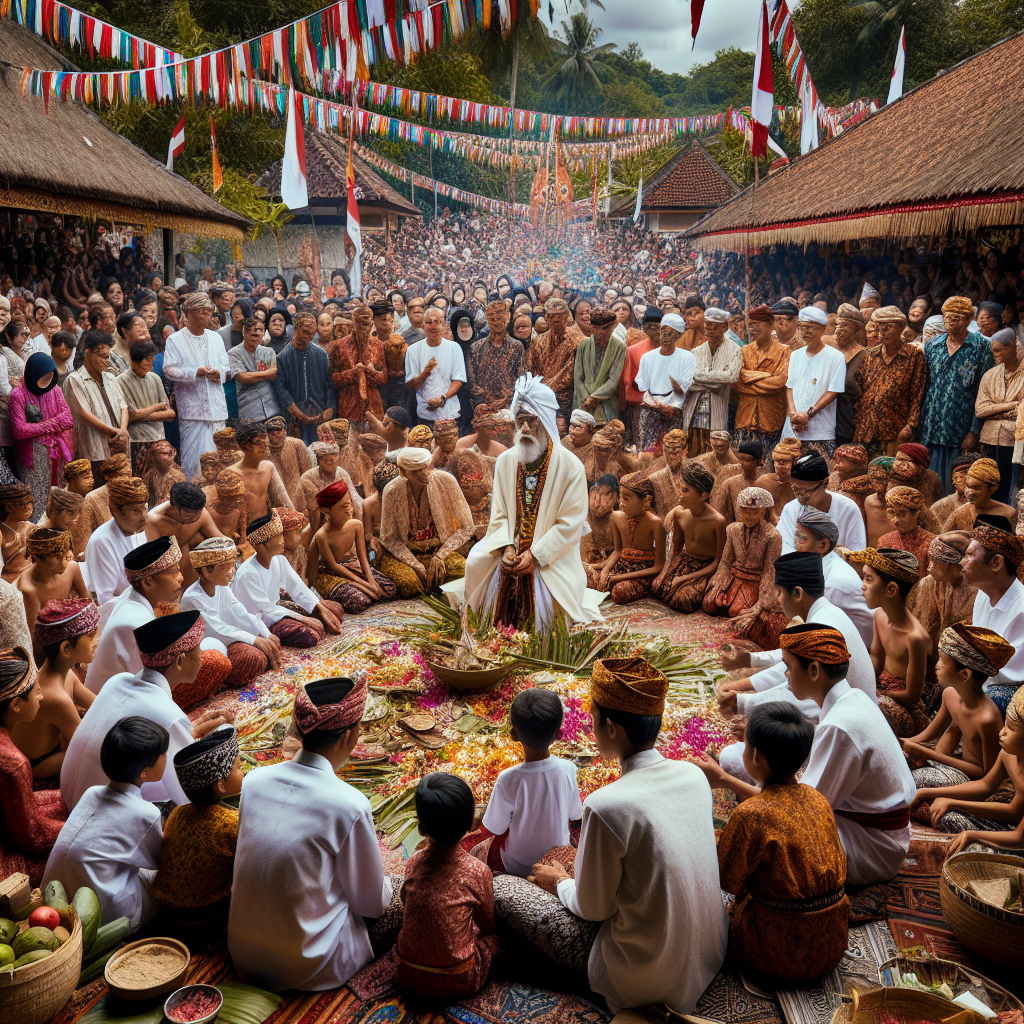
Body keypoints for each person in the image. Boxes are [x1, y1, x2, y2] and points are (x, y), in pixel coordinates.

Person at [523, 657, 727, 1015]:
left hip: (647, 980)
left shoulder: (605, 805)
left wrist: (560, 883)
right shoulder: (694, 776)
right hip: (711, 952)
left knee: (511, 892)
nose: (591, 725)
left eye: (593, 717)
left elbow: (593, 909)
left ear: (612, 728)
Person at [229, 677, 393, 991]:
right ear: (347, 736)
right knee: (397, 896)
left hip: (243, 954)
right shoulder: (350, 804)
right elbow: (370, 904)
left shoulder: (254, 781)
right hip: (307, 964)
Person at [711, 704, 849, 984]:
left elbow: (728, 882)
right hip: (832, 943)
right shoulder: (817, 799)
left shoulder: (749, 815)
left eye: (745, 744)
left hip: (772, 952)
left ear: (756, 756)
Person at [456, 374, 603, 631]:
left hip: (552, 555)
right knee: (474, 563)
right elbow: (499, 513)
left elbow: (569, 525)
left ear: (545, 423)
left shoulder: (570, 467)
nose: (524, 429)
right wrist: (506, 547)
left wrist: (536, 554)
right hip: (511, 545)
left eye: (531, 422)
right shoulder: (506, 461)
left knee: (545, 604)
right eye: (519, 421)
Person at [774, 625, 915, 884]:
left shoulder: (840, 725)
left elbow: (805, 811)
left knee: (773, 836)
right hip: (884, 835)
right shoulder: (854, 697)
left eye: (788, 666)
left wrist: (726, 780)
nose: (786, 676)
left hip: (874, 848)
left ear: (814, 670)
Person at [62, 610, 232, 810]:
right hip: (101, 812)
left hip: (72, 795)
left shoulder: (117, 681)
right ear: (179, 661)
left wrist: (190, 734)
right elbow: (188, 791)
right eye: (198, 650)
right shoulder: (170, 715)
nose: (202, 658)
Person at [716, 552, 876, 728]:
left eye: (779, 592)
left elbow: (797, 687)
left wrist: (742, 702)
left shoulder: (823, 625)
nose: (777, 600)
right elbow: (791, 661)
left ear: (798, 593)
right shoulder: (826, 611)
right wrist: (748, 665)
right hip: (853, 709)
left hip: (846, 720)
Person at [44, 716, 167, 932]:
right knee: (161, 877)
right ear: (144, 772)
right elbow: (160, 861)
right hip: (103, 918)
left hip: (54, 901)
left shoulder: (92, 792)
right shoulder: (146, 814)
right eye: (163, 754)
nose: (167, 756)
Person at [393, 773, 499, 1001]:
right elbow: (487, 923)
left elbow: (407, 903)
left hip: (406, 974)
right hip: (458, 981)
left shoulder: (413, 863)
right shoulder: (478, 871)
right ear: (472, 822)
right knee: (498, 941)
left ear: (421, 828)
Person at [462, 689, 581, 876]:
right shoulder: (568, 769)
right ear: (559, 734)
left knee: (482, 845)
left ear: (513, 734)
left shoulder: (507, 779)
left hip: (515, 866)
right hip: (556, 863)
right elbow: (575, 814)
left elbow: (495, 827)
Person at [150, 725, 243, 933]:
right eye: (239, 767)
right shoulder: (232, 823)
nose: (244, 771)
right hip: (205, 918)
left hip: (166, 914)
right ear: (221, 786)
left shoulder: (178, 813)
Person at [912, 684, 1024, 852]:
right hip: (1011, 826)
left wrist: (972, 834)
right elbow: (985, 785)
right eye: (1005, 725)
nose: (1002, 732)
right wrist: (930, 793)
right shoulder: (1008, 755)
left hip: (1018, 838)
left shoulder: (987, 718)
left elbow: (1017, 829)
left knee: (955, 825)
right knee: (946, 816)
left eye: (1011, 728)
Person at [905, 624, 1008, 789]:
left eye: (942, 661)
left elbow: (986, 774)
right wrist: (901, 744)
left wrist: (929, 754)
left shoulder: (986, 719)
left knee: (914, 780)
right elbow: (927, 736)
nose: (936, 666)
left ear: (964, 675)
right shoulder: (950, 695)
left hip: (968, 778)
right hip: (948, 761)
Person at [0, 648, 67, 884]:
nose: (41, 697)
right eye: (37, 692)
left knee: (65, 801)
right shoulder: (13, 763)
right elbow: (33, 836)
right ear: (16, 705)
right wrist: (74, 830)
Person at [848, 548, 930, 737]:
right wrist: (865, 683)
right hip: (880, 690)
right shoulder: (879, 616)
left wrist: (875, 693)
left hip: (903, 707)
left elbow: (912, 695)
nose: (863, 585)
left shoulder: (915, 637)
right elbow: (876, 656)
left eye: (868, 579)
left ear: (891, 589)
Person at [182, 537, 282, 688]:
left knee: (267, 645)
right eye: (226, 567)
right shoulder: (192, 598)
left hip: (229, 642)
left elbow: (240, 613)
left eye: (233, 566)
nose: (232, 572)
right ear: (206, 572)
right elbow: (217, 629)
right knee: (252, 657)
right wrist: (254, 640)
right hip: (208, 649)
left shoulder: (221, 587)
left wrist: (265, 633)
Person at [234, 511, 343, 647]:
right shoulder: (248, 574)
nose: (282, 540)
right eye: (278, 536)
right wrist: (304, 619)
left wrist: (319, 607)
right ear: (262, 545)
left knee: (333, 611)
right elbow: (266, 610)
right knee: (309, 635)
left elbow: (296, 587)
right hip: (260, 622)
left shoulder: (279, 560)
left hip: (276, 610)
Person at [378, 446, 473, 598]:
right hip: (409, 555)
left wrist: (440, 556)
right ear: (403, 472)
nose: (424, 475)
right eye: (416, 471)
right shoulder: (392, 490)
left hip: (440, 550)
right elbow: (389, 537)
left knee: (463, 570)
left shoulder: (446, 481)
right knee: (409, 584)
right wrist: (415, 565)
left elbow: (467, 527)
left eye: (425, 468)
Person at [920, 296, 993, 492]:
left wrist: (973, 431)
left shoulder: (981, 347)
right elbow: (924, 385)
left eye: (959, 316)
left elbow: (982, 390)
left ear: (970, 319)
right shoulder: (933, 345)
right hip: (932, 427)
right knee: (929, 484)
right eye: (948, 316)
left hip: (960, 430)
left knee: (957, 486)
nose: (953, 320)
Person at [703, 486, 788, 650]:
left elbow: (770, 570)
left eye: (754, 512)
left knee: (737, 611)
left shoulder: (773, 535)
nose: (749, 516)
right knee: (709, 603)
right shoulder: (733, 529)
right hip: (734, 578)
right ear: (739, 510)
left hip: (754, 581)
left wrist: (762, 603)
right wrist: (719, 579)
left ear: (763, 512)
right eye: (745, 511)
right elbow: (726, 560)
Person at [163, 293, 231, 480]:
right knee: (194, 461)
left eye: (208, 311)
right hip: (193, 412)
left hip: (216, 409)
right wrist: (195, 372)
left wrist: (220, 373)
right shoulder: (175, 340)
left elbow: (226, 367)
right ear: (187, 314)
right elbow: (169, 369)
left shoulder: (215, 338)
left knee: (218, 460)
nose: (205, 315)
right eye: (199, 311)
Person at [962, 517, 1024, 712]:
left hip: (1010, 691)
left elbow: (1011, 675)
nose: (962, 562)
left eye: (970, 555)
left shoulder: (1021, 609)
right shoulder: (982, 595)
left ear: (996, 563)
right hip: (984, 680)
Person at [308, 480, 395, 613]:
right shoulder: (322, 536)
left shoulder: (356, 525)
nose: (349, 510)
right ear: (327, 511)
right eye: (343, 507)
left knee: (390, 588)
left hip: (354, 568)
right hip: (333, 575)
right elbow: (335, 567)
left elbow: (363, 558)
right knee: (359, 601)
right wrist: (365, 585)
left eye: (349, 505)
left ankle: (369, 590)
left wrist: (371, 581)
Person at [793, 506, 874, 646]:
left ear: (823, 544)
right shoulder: (824, 563)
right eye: (797, 536)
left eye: (803, 539)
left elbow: (818, 632)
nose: (796, 545)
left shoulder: (833, 585)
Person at [854, 306, 926, 458]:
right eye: (879, 327)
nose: (881, 333)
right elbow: (859, 389)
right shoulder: (870, 355)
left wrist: (911, 425)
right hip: (866, 428)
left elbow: (917, 393)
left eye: (887, 328)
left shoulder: (913, 356)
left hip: (895, 429)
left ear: (901, 327)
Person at [653, 461, 725, 613]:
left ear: (703, 495)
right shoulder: (679, 514)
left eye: (685, 490)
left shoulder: (717, 521)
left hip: (706, 567)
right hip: (685, 561)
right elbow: (677, 549)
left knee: (682, 600)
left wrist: (684, 578)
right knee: (657, 587)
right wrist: (665, 572)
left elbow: (719, 561)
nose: (679, 494)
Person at [10, 352, 74, 519]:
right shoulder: (18, 395)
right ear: (33, 374)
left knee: (56, 498)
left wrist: (39, 427)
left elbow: (68, 418)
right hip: (32, 457)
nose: (47, 381)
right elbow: (19, 430)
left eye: (50, 377)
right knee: (35, 501)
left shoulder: (54, 390)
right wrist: (52, 424)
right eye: (43, 377)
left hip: (55, 453)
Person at [585, 473, 664, 605]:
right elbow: (617, 551)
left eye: (627, 498)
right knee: (581, 571)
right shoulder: (616, 517)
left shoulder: (655, 523)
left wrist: (618, 578)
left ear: (645, 500)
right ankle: (606, 584)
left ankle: (610, 587)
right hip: (621, 567)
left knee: (619, 592)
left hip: (641, 576)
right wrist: (604, 571)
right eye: (621, 497)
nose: (621, 503)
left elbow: (658, 567)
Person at [783, 306, 846, 460]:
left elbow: (833, 391)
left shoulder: (836, 357)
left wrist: (808, 414)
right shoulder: (796, 355)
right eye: (802, 328)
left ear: (822, 329)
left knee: (820, 474)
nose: (805, 332)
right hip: (793, 429)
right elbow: (789, 387)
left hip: (821, 431)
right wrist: (793, 414)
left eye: (810, 328)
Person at [63, 330, 129, 474]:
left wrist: (122, 431)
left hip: (118, 450)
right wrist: (114, 432)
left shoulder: (110, 378)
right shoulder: (75, 379)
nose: (106, 361)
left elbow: (123, 406)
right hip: (93, 451)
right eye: (102, 356)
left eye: (107, 357)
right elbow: (83, 414)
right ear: (88, 352)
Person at [732, 305, 791, 466]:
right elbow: (737, 382)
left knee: (769, 467)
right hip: (745, 418)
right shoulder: (744, 351)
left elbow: (779, 382)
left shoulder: (784, 352)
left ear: (771, 324)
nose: (752, 329)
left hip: (771, 420)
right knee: (742, 465)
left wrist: (750, 379)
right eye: (750, 325)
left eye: (757, 324)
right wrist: (765, 375)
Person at [777, 452, 866, 554]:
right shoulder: (791, 508)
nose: (801, 498)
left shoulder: (848, 508)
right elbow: (784, 548)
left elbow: (856, 551)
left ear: (825, 483)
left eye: (807, 491)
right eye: (796, 490)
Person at [681, 308, 742, 457]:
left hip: (717, 413)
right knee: (693, 454)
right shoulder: (696, 352)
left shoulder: (735, 349)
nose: (710, 330)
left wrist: (699, 377)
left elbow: (732, 377)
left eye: (714, 326)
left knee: (715, 455)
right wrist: (715, 381)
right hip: (694, 413)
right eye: (707, 325)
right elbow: (687, 381)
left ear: (725, 327)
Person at [908, 531, 977, 660]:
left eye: (937, 563)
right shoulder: (929, 584)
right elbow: (922, 626)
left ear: (957, 567)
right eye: (930, 561)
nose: (930, 568)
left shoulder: (977, 591)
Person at [633, 320, 696, 454]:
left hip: (677, 410)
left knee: (673, 451)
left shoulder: (688, 357)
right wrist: (657, 405)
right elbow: (643, 387)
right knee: (647, 452)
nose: (666, 337)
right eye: (664, 333)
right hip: (651, 409)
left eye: (670, 333)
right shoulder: (647, 358)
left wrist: (671, 406)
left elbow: (686, 387)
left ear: (677, 336)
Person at [84, 476, 149, 605]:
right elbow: (107, 600)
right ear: (116, 511)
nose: (143, 517)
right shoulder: (101, 541)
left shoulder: (142, 531)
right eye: (135, 511)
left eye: (145, 508)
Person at [974, 328, 1021, 502]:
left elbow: (1021, 412)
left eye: (999, 350)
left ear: (1012, 348)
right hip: (990, 439)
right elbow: (980, 410)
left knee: (1012, 488)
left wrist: (994, 410)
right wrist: (1011, 405)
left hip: (1015, 440)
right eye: (993, 350)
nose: (995, 354)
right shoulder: (990, 375)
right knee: (990, 486)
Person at [275, 312, 337, 444]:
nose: (309, 337)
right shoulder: (283, 357)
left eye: (312, 333)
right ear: (296, 328)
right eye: (305, 332)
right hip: (295, 418)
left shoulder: (320, 354)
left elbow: (329, 383)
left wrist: (329, 407)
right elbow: (280, 387)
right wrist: (293, 409)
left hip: (318, 415)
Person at [17, 527, 89, 639]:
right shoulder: (30, 589)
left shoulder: (72, 568)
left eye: (65, 556)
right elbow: (34, 635)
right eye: (57, 558)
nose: (64, 562)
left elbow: (88, 601)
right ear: (38, 559)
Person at [116, 341, 174, 476]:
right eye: (146, 363)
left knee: (160, 480)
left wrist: (140, 415)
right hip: (138, 441)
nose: (150, 366)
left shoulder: (154, 378)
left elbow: (171, 413)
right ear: (134, 362)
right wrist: (158, 406)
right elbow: (131, 415)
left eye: (151, 362)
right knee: (140, 478)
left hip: (159, 439)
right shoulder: (120, 381)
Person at [327, 306, 387, 429]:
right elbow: (332, 379)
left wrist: (371, 372)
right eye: (360, 323)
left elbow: (384, 379)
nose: (364, 328)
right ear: (353, 324)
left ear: (372, 324)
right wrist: (353, 373)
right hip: (349, 406)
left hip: (373, 407)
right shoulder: (339, 346)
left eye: (367, 324)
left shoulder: (377, 345)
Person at [405, 306, 466, 427]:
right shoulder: (412, 350)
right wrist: (425, 373)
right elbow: (411, 384)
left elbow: (458, 380)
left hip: (450, 413)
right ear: (423, 326)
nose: (433, 326)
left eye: (437, 322)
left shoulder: (454, 348)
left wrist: (443, 398)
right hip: (424, 415)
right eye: (429, 322)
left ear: (444, 326)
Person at [224, 422, 293, 520]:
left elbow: (284, 503)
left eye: (265, 441)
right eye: (258, 443)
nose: (265, 447)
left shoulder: (268, 467)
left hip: (268, 525)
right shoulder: (230, 474)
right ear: (245, 446)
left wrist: (294, 518)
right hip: (243, 528)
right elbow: (227, 513)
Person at [573, 306, 625, 426]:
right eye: (596, 328)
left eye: (605, 328)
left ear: (613, 327)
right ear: (591, 327)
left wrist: (594, 398)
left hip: (607, 404)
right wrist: (586, 400)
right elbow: (578, 378)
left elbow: (613, 380)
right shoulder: (583, 345)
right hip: (582, 402)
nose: (600, 332)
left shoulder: (618, 346)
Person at [526, 298, 578, 414]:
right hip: (539, 399)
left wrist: (544, 389)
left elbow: (567, 375)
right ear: (546, 317)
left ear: (566, 316)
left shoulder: (575, 341)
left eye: (559, 316)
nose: (556, 319)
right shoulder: (538, 341)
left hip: (563, 402)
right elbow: (530, 368)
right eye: (551, 316)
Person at [229, 317, 281, 424]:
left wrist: (251, 375)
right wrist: (267, 374)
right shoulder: (233, 353)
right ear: (244, 333)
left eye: (258, 335)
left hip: (272, 408)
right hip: (249, 411)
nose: (255, 339)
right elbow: (242, 378)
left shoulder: (269, 352)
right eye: (252, 335)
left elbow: (274, 373)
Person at [878, 486, 936, 577]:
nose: (896, 520)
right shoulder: (885, 541)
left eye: (902, 514)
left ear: (916, 513)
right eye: (892, 513)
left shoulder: (930, 542)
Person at [947, 456, 1016, 532]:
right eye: (968, 486)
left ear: (992, 489)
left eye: (976, 488)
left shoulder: (1008, 514)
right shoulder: (960, 513)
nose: (969, 492)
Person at [711, 440, 763, 526]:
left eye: (746, 460)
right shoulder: (730, 484)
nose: (742, 463)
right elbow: (718, 516)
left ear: (759, 461)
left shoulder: (766, 483)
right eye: (740, 459)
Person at [265, 414, 313, 498]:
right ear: (268, 436)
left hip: (299, 495)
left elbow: (307, 472)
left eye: (279, 432)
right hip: (277, 497)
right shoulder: (264, 451)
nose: (277, 436)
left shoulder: (297, 444)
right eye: (273, 434)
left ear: (285, 431)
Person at [933, 454, 977, 529]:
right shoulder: (939, 507)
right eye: (963, 476)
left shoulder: (990, 507)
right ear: (954, 480)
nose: (969, 481)